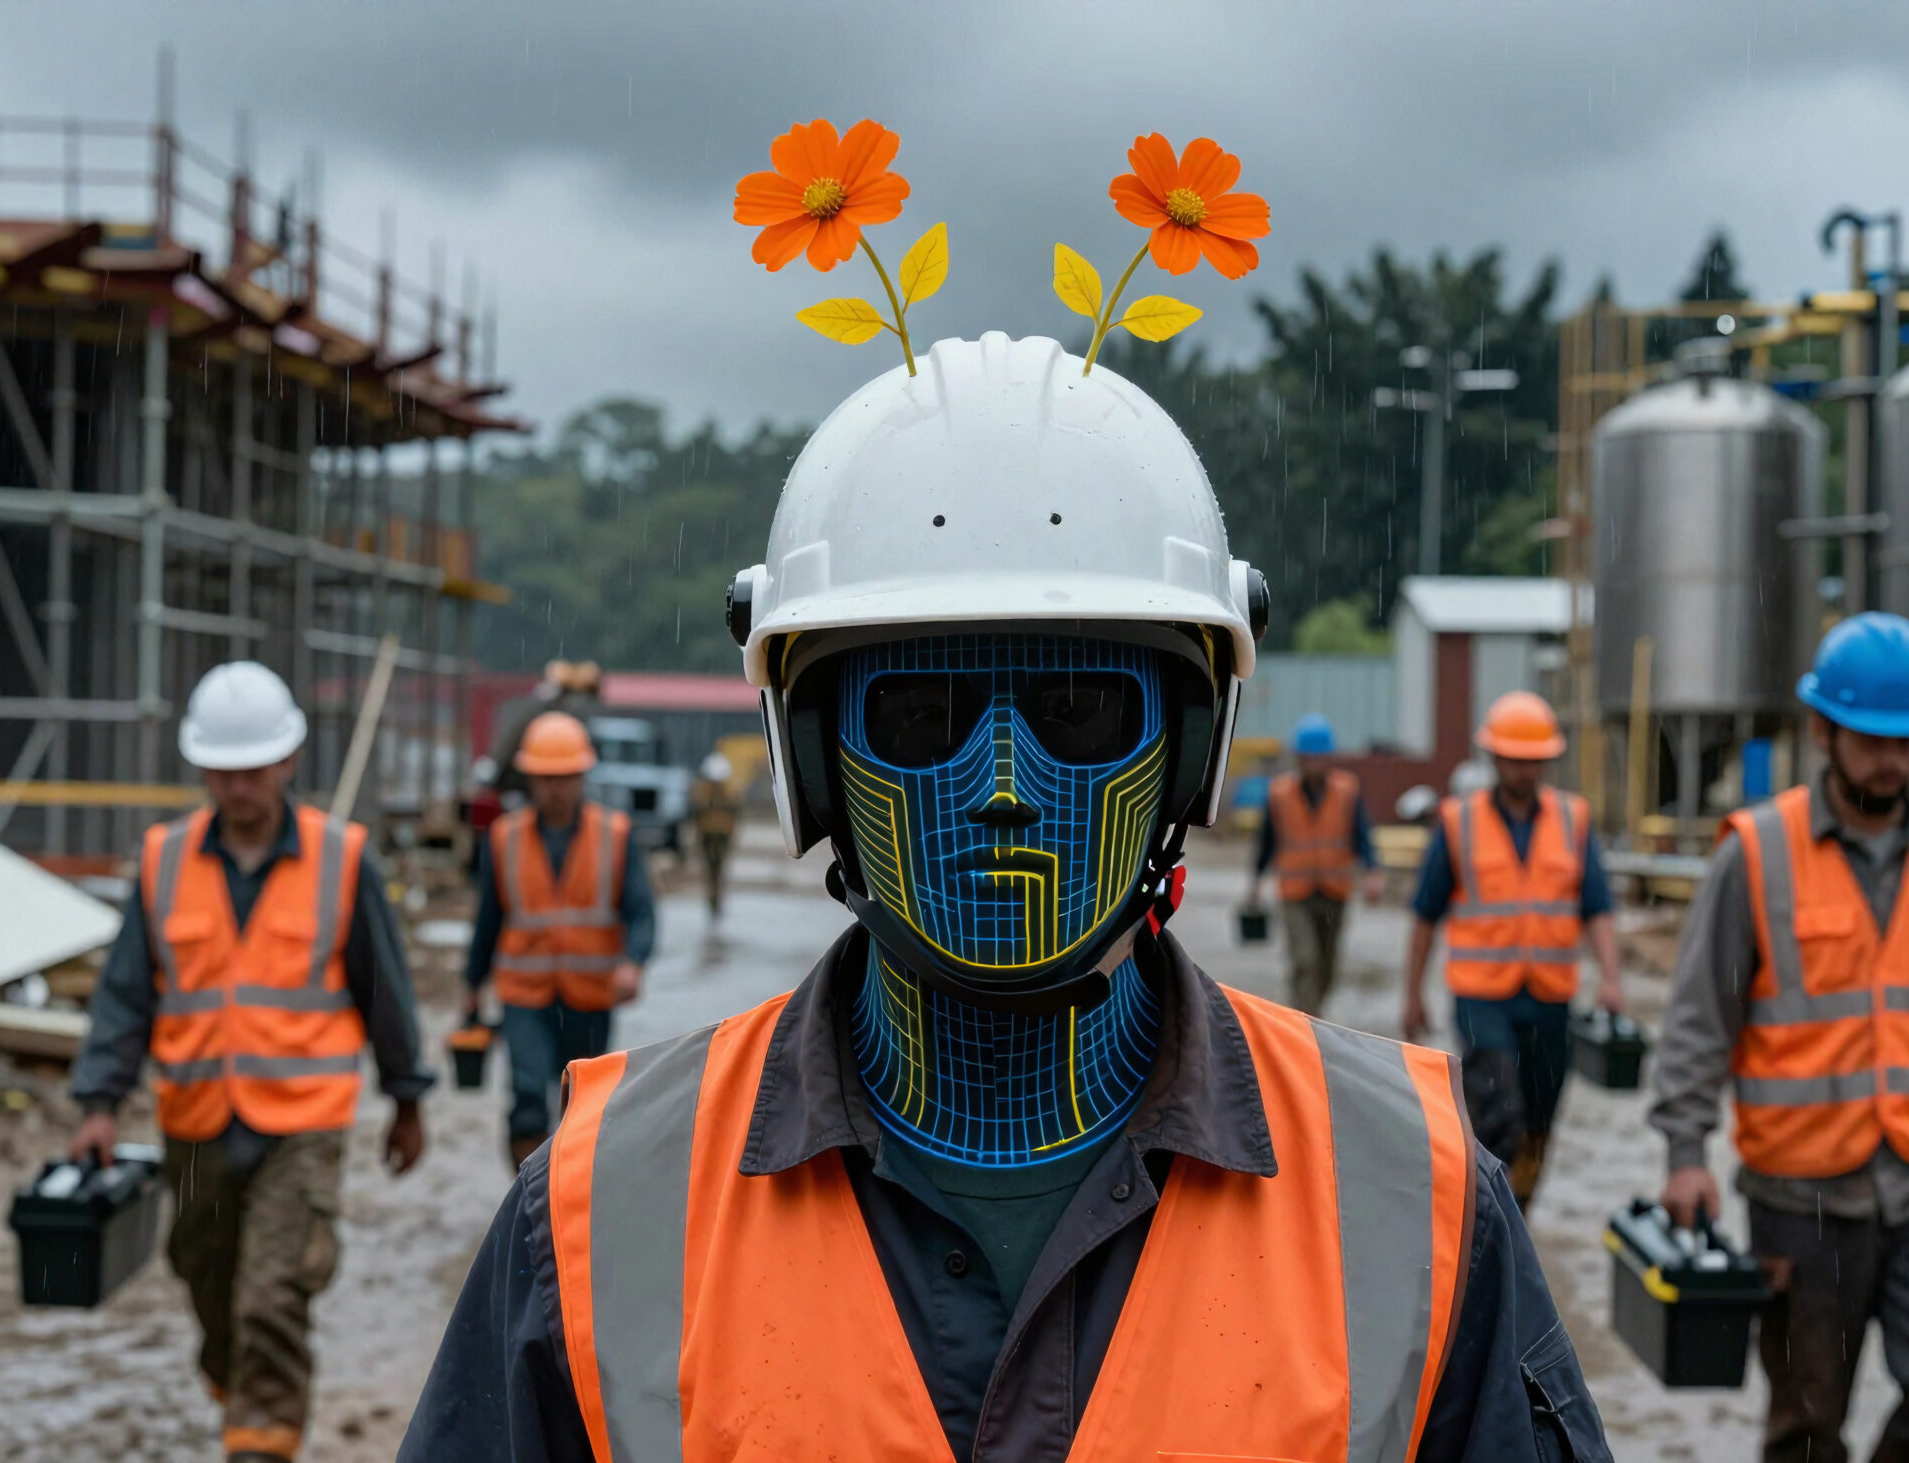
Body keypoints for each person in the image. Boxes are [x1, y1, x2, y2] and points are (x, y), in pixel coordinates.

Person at [402, 335, 1608, 1462]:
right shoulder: (602, 1204)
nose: (1000, 788)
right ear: (814, 759)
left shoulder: (1413, 1192)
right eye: (917, 715)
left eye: (1080, 710)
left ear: (1188, 756)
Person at [1648, 612, 1909, 1463]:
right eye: (1875, 741)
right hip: (1802, 1190)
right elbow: (1700, 1016)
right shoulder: (1758, 854)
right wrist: (1683, 1152)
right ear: (1823, 731)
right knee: (1806, 1428)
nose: (1895, 761)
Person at [68, 661, 432, 1463]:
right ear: (202, 767)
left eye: (254, 768)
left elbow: (385, 991)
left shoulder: (342, 858)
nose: (239, 787)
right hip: (195, 1121)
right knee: (208, 1287)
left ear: (288, 761)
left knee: (272, 1297)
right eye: (224, 771)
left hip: (301, 1122)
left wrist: (408, 1098)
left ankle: (260, 1444)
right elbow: (126, 993)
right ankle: (247, 1396)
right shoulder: (164, 860)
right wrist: (99, 1100)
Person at [1400, 691, 1623, 1209]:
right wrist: (1412, 995)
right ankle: (1485, 1212)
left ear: (1547, 761)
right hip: (1483, 999)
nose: (1524, 769)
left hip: (1550, 999)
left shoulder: (1573, 821)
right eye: (1515, 759)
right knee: (1497, 1108)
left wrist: (1611, 978)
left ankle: (1516, 1214)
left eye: (1534, 760)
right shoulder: (1459, 822)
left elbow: (1598, 908)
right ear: (1495, 758)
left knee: (1540, 1120)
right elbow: (1424, 916)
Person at [462, 710, 654, 1169]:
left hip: (590, 996)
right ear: (529, 779)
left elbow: (641, 912)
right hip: (525, 996)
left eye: (565, 777)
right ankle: (529, 1201)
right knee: (528, 1096)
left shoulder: (615, 835)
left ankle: (573, 1191)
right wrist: (471, 985)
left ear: (582, 776)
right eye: (546, 778)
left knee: (585, 1102)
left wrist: (632, 962)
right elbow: (488, 919)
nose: (555, 788)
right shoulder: (503, 839)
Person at [1245, 712, 1384, 1014]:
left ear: (1329, 758)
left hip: (1334, 891)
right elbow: (1267, 842)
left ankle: (1311, 1015)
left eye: (1319, 758)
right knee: (1305, 960)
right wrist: (1255, 882)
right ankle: (1305, 1024)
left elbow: (1362, 835)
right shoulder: (1280, 794)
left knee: (1328, 967)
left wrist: (1373, 873)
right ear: (1298, 759)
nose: (1313, 764)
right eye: (1307, 758)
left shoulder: (1347, 791)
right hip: (1296, 893)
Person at [689, 750, 742, 919]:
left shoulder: (703, 789)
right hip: (717, 834)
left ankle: (714, 901)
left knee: (713, 869)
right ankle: (715, 901)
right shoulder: (726, 789)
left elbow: (695, 811)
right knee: (716, 869)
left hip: (712, 834)